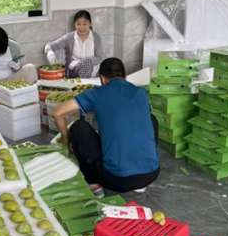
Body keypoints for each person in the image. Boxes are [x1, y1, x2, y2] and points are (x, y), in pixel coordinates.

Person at [52, 58, 159, 198]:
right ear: (125, 76)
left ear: (102, 78)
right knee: (151, 119)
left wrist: (65, 139)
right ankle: (140, 185)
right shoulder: (141, 92)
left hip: (115, 180)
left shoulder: (96, 93)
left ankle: (94, 184)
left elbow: (58, 113)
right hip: (151, 174)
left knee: (78, 127)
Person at [44, 10, 104, 78]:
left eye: (84, 24)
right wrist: (49, 52)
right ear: (74, 24)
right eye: (78, 24)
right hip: (74, 72)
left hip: (93, 70)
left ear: (90, 24)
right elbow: (50, 45)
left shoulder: (96, 37)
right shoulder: (69, 38)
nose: (81, 27)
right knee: (86, 64)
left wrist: (81, 61)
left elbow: (99, 58)